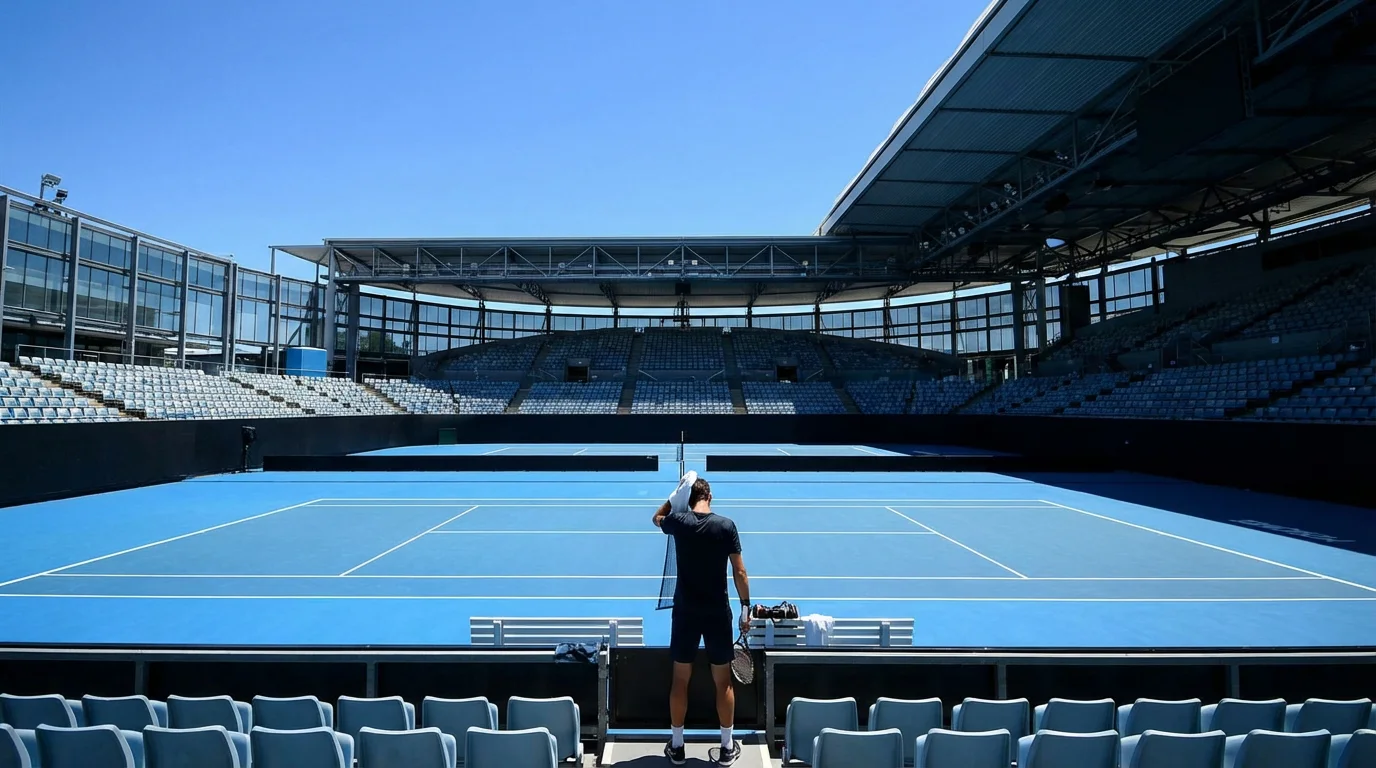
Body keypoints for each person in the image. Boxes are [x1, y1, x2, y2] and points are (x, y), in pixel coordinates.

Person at [652, 476, 751, 766]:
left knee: (680, 680)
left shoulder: (679, 523)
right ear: (710, 496)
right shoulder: (726, 526)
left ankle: (678, 746)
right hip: (718, 613)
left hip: (685, 614)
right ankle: (727, 747)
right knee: (723, 683)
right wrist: (745, 607)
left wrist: (673, 498)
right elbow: (740, 572)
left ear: (688, 498)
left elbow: (657, 517)